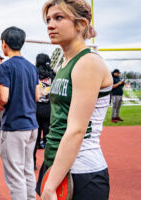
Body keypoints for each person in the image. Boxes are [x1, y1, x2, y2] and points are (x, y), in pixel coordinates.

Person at [38, 1, 112, 199]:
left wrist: (51, 185)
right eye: (48, 20)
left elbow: (76, 130)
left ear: (80, 24)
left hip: (82, 171)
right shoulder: (65, 63)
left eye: (59, 18)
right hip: (58, 165)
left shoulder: (88, 62)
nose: (50, 25)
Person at [0, 26, 38, 200]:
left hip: (14, 126)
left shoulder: (5, 67)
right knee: (28, 170)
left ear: (4, 44)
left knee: (15, 176)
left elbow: (4, 98)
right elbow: (37, 95)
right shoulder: (31, 67)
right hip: (31, 125)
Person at [33, 53, 55, 170]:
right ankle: (49, 164)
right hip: (48, 108)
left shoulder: (33, 73)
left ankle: (32, 162)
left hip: (35, 107)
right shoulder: (52, 74)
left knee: (34, 139)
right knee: (48, 138)